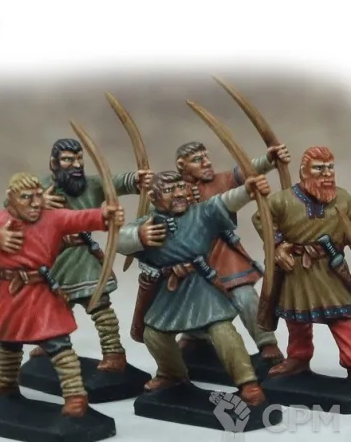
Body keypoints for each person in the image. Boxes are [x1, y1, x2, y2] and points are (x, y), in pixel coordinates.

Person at [0, 172, 125, 417]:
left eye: (38, 196)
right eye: (27, 197)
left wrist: (105, 216)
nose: (36, 203)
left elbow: (79, 218)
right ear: (11, 198)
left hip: (41, 293)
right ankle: (6, 382)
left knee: (58, 344)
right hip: (12, 294)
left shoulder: (52, 217)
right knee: (6, 342)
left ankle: (75, 395)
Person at [116, 170, 271, 405]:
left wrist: (247, 190)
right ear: (153, 197)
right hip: (170, 290)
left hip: (200, 285)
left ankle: (248, 382)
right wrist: (139, 235)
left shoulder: (202, 213)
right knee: (154, 334)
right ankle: (172, 374)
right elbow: (118, 241)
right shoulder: (148, 223)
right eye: (169, 190)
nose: (179, 194)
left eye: (181, 187)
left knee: (222, 330)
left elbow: (225, 201)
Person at [28, 138, 153, 372]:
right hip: (54, 258)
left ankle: (114, 352)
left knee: (99, 306)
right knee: (51, 307)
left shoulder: (92, 185)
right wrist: (38, 202)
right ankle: (51, 346)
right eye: (68, 160)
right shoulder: (40, 187)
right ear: (54, 163)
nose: (76, 165)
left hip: (83, 256)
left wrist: (137, 179)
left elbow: (117, 183)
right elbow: (13, 203)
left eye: (79, 159)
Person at [174, 141, 290, 362]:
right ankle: (194, 337)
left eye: (206, 157)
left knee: (245, 297)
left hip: (223, 253)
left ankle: (267, 343)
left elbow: (245, 171)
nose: (206, 162)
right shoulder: (174, 189)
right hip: (189, 257)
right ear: (182, 165)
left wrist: (269, 159)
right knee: (192, 299)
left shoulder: (221, 181)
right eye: (198, 160)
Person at [252, 146, 351, 378]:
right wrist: (278, 247)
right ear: (304, 171)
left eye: (329, 167)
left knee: (342, 318)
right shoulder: (282, 200)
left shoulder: (343, 198)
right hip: (296, 270)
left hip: (330, 271)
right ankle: (298, 357)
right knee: (296, 319)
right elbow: (261, 219)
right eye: (319, 168)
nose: (326, 173)